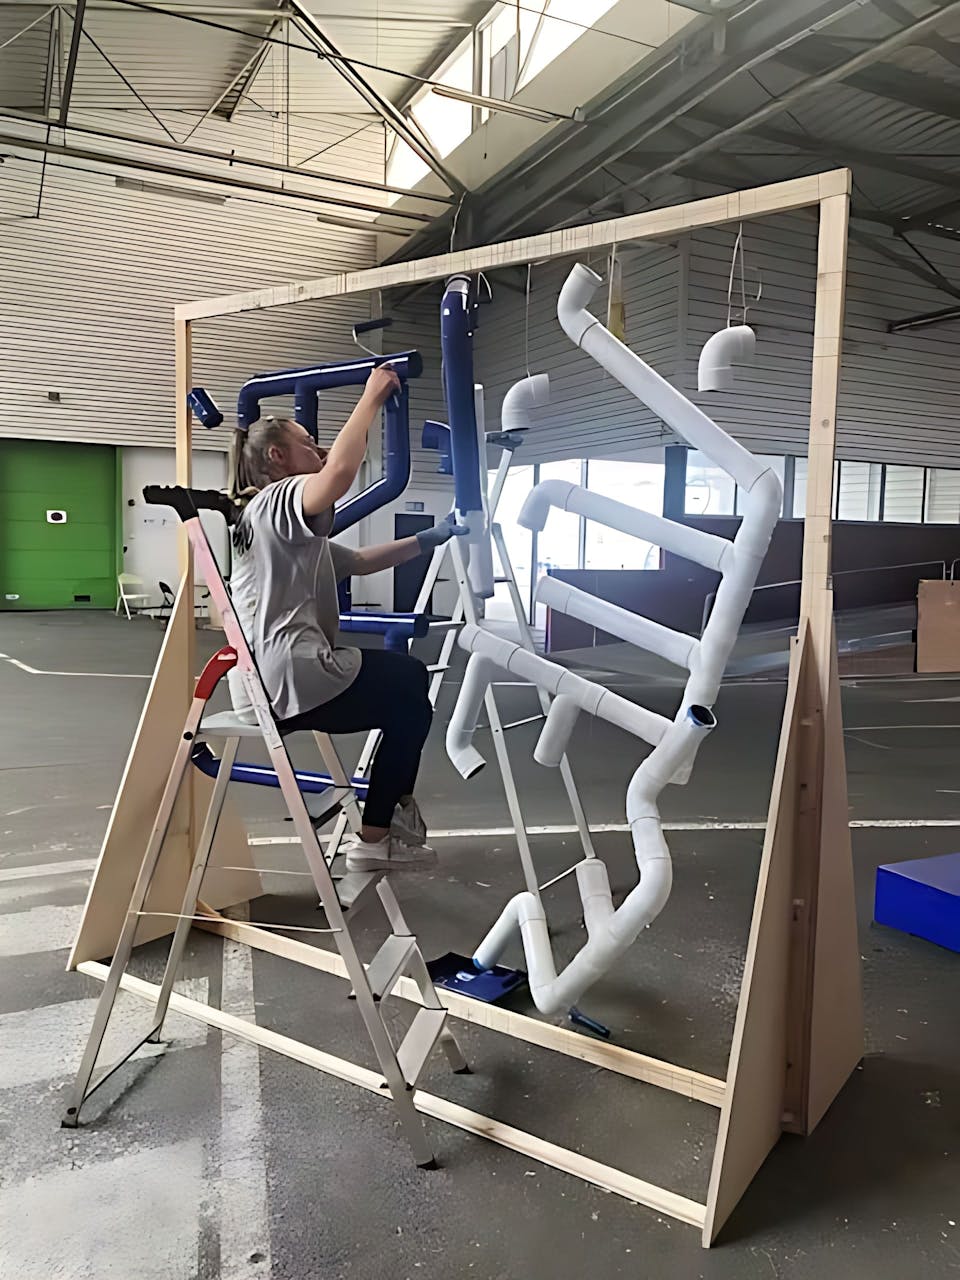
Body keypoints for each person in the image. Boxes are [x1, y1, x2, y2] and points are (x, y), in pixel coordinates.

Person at [226, 365, 467, 872]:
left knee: (408, 704)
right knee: (410, 682)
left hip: (262, 684)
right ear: (277, 457)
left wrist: (433, 537)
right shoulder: (276, 499)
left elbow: (358, 562)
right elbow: (337, 473)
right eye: (308, 445)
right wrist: (372, 396)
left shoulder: (277, 530)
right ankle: (379, 833)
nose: (317, 454)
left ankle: (386, 824)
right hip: (291, 675)